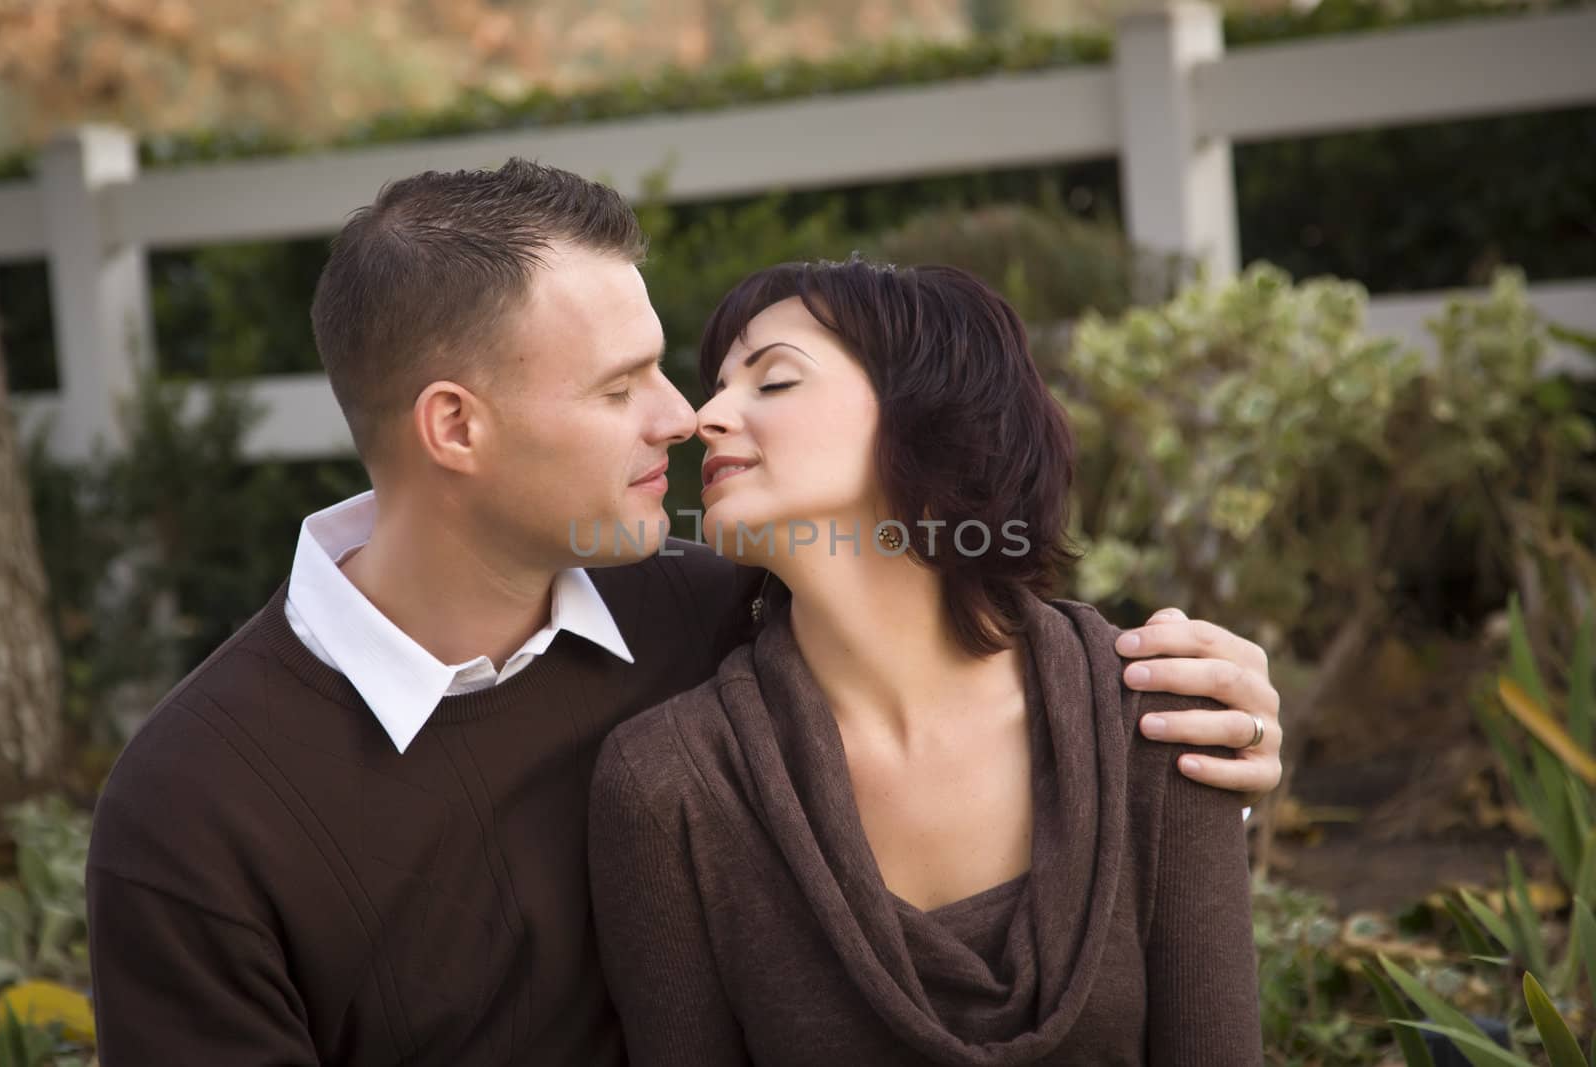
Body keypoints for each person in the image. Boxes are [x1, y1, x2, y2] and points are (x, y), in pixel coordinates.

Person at [85, 159, 1279, 1066]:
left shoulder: (724, 614)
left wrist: (1213, 702)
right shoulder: (194, 811)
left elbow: (947, 618)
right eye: (621, 387)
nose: (684, 417)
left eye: (680, 366)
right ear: (455, 426)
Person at [588, 258, 1264, 1065]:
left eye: (772, 382)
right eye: (720, 385)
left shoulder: (1151, 712)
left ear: (930, 419)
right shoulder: (668, 784)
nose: (706, 417)